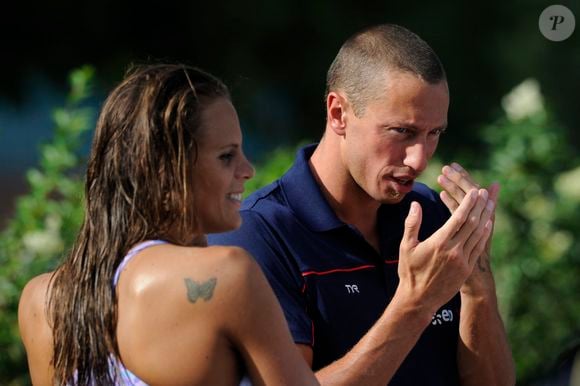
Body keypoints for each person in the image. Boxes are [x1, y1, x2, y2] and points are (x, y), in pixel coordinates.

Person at [208, 24, 516, 385]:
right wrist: (414, 305)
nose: (420, 159)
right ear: (339, 113)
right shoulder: (258, 234)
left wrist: (477, 284)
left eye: (434, 133)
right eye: (402, 132)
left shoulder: (432, 215)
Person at [18, 64, 320, 386]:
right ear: (165, 170)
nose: (247, 170)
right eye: (226, 156)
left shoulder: (42, 300)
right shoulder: (227, 274)